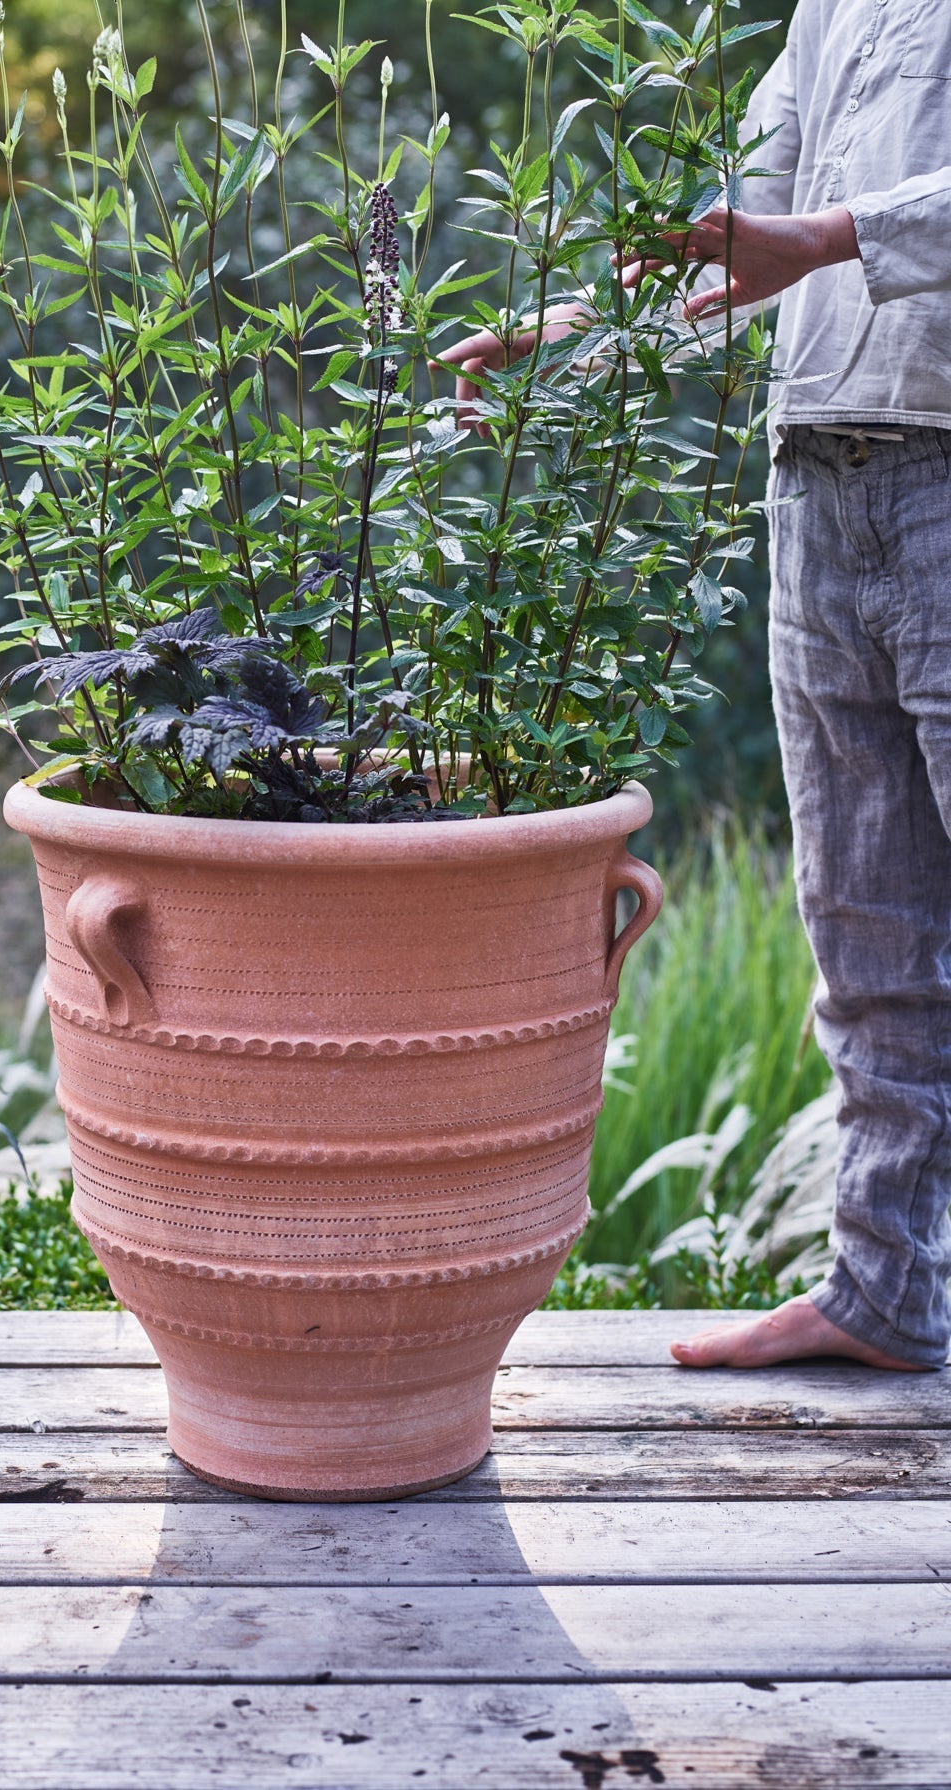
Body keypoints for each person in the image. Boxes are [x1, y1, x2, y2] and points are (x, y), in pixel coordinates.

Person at [438, 0, 951, 1371]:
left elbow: (805, 235)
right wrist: (566, 326)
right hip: (819, 485)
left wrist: (831, 239)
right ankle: (886, 1290)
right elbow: (739, 228)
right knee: (868, 928)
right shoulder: (828, 9)